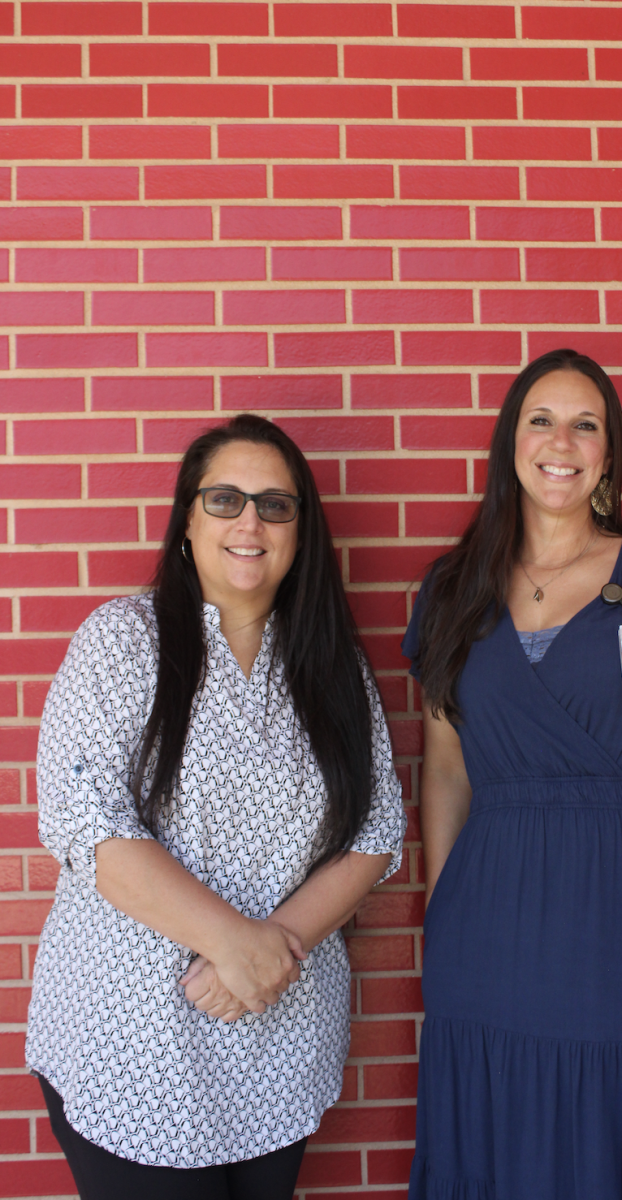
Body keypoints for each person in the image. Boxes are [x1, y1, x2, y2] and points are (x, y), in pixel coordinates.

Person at [27, 414, 405, 1200]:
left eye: (275, 505)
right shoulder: (123, 641)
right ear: (187, 523)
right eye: (225, 498)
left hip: (277, 1038)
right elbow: (86, 820)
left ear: (302, 532)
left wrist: (273, 951)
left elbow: (374, 833)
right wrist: (233, 943)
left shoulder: (331, 667)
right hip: (134, 1045)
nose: (249, 521)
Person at [402, 349, 622, 1200]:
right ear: (510, 443)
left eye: (585, 424)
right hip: (494, 924)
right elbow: (444, 773)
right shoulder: (453, 589)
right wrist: (449, 908)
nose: (562, 441)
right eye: (541, 420)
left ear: (608, 453)